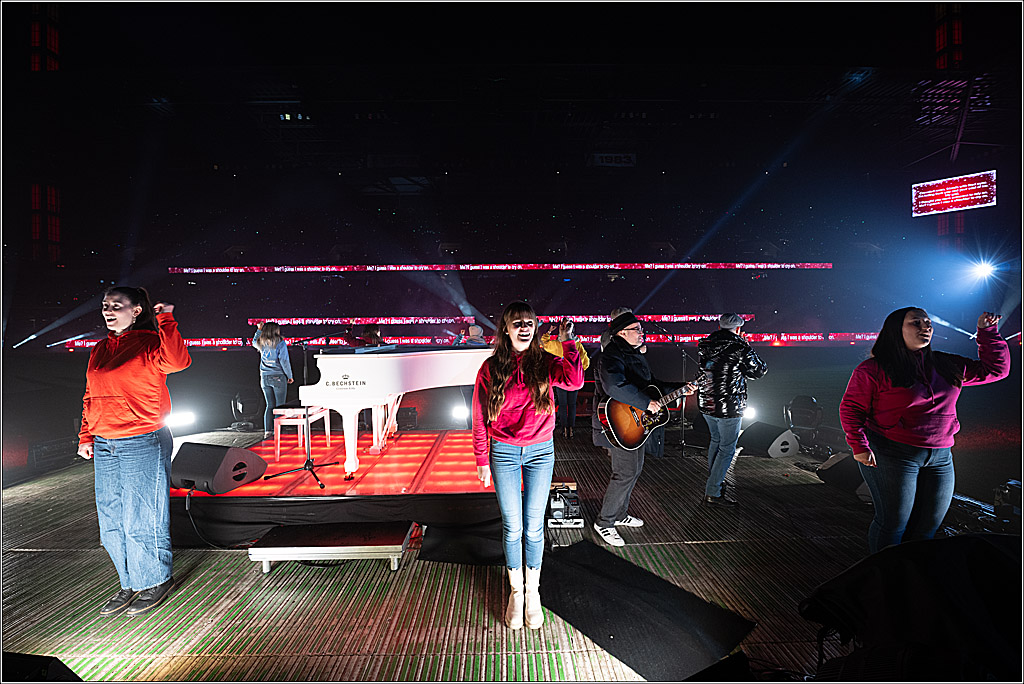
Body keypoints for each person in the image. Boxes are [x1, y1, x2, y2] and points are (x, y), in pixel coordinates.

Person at [839, 308, 1009, 554]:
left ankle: (913, 573)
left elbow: (996, 370)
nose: (926, 327)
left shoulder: (946, 364)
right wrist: (859, 446)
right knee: (893, 524)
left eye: (928, 322)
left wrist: (987, 332)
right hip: (892, 453)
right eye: (916, 323)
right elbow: (852, 408)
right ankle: (883, 573)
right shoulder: (873, 369)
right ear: (896, 330)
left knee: (927, 527)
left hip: (941, 457)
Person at [77, 286, 191, 617]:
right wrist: (86, 435)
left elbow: (179, 361)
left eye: (117, 305)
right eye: (105, 305)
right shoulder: (100, 348)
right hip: (104, 442)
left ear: (136, 310)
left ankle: (155, 580)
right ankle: (128, 582)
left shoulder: (150, 343)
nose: (108, 311)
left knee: (143, 514)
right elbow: (90, 394)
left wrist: (166, 319)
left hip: (142, 438)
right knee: (111, 518)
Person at [472, 302, 584, 630]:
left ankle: (532, 593)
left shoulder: (545, 361)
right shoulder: (490, 368)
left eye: (529, 323)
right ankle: (516, 593)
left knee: (534, 527)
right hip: (503, 451)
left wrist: (567, 341)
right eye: (517, 322)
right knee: (513, 527)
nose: (524, 327)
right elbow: (479, 417)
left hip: (540, 451)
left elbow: (575, 381)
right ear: (506, 329)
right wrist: (481, 458)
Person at [591, 311, 695, 546]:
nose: (641, 333)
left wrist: (681, 388)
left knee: (634, 470)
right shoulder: (612, 355)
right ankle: (604, 522)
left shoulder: (634, 355)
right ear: (622, 333)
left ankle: (619, 514)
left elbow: (654, 386)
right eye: (636, 329)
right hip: (618, 424)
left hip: (636, 424)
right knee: (624, 473)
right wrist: (645, 403)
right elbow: (614, 386)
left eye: (641, 329)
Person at [696, 313, 768, 506]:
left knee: (716, 441)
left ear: (720, 327)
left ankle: (715, 481)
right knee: (727, 449)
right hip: (729, 406)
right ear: (738, 329)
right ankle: (713, 491)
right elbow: (759, 370)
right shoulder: (740, 347)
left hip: (706, 402)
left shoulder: (705, 345)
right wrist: (746, 346)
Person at [541, 319, 591, 438]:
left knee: (563, 404)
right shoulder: (577, 345)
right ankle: (571, 429)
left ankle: (564, 428)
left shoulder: (556, 345)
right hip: (574, 379)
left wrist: (548, 332)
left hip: (560, 380)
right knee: (572, 404)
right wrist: (578, 371)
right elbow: (586, 362)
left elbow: (545, 343)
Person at [252, 322, 294, 438]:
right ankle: (277, 431)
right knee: (279, 406)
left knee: (269, 405)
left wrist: (259, 330)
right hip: (278, 376)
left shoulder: (261, 342)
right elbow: (284, 361)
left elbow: (253, 342)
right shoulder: (280, 343)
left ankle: (267, 431)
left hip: (264, 377)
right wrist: (289, 376)